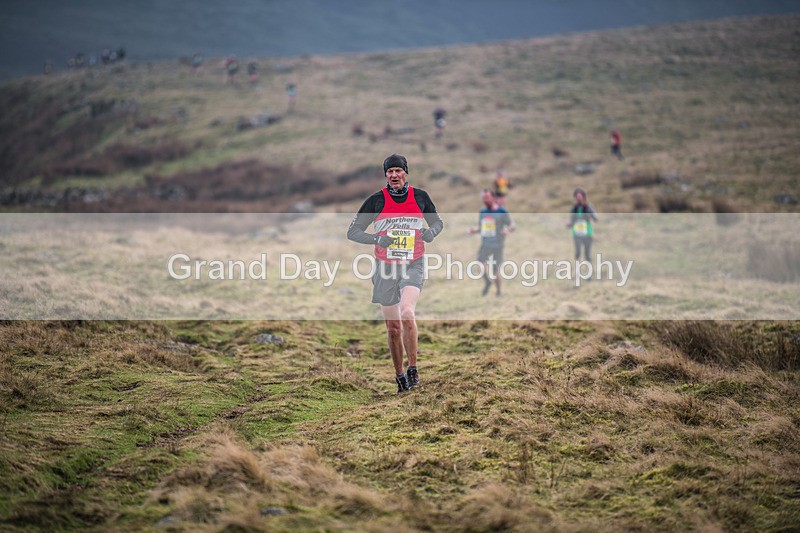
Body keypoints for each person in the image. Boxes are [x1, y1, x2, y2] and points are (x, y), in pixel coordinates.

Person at [347, 154, 444, 393]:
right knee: (393, 328)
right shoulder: (375, 201)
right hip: (385, 268)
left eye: (397, 171)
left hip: (413, 262)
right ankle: (399, 375)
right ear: (386, 176)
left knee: (407, 312)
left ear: (405, 173)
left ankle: (413, 369)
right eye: (389, 172)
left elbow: (438, 223)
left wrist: (431, 232)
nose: (393, 175)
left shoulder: (420, 197)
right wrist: (378, 238)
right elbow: (353, 232)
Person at [468, 189, 514, 296]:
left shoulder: (502, 211)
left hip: (497, 245)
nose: (485, 200)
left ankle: (498, 292)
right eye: (484, 198)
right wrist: (474, 230)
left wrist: (507, 230)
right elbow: (481, 228)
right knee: (480, 265)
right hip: (485, 244)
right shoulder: (482, 213)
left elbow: (512, 225)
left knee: (495, 271)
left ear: (493, 198)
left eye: (487, 197)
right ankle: (488, 282)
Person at [566, 188, 599, 262]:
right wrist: (568, 224)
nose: (579, 199)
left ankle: (588, 272)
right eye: (577, 197)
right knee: (577, 254)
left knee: (587, 255)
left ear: (584, 197)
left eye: (580, 197)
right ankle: (578, 272)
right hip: (577, 234)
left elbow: (595, 218)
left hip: (587, 233)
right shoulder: (574, 208)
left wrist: (591, 213)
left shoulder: (588, 206)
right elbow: (571, 221)